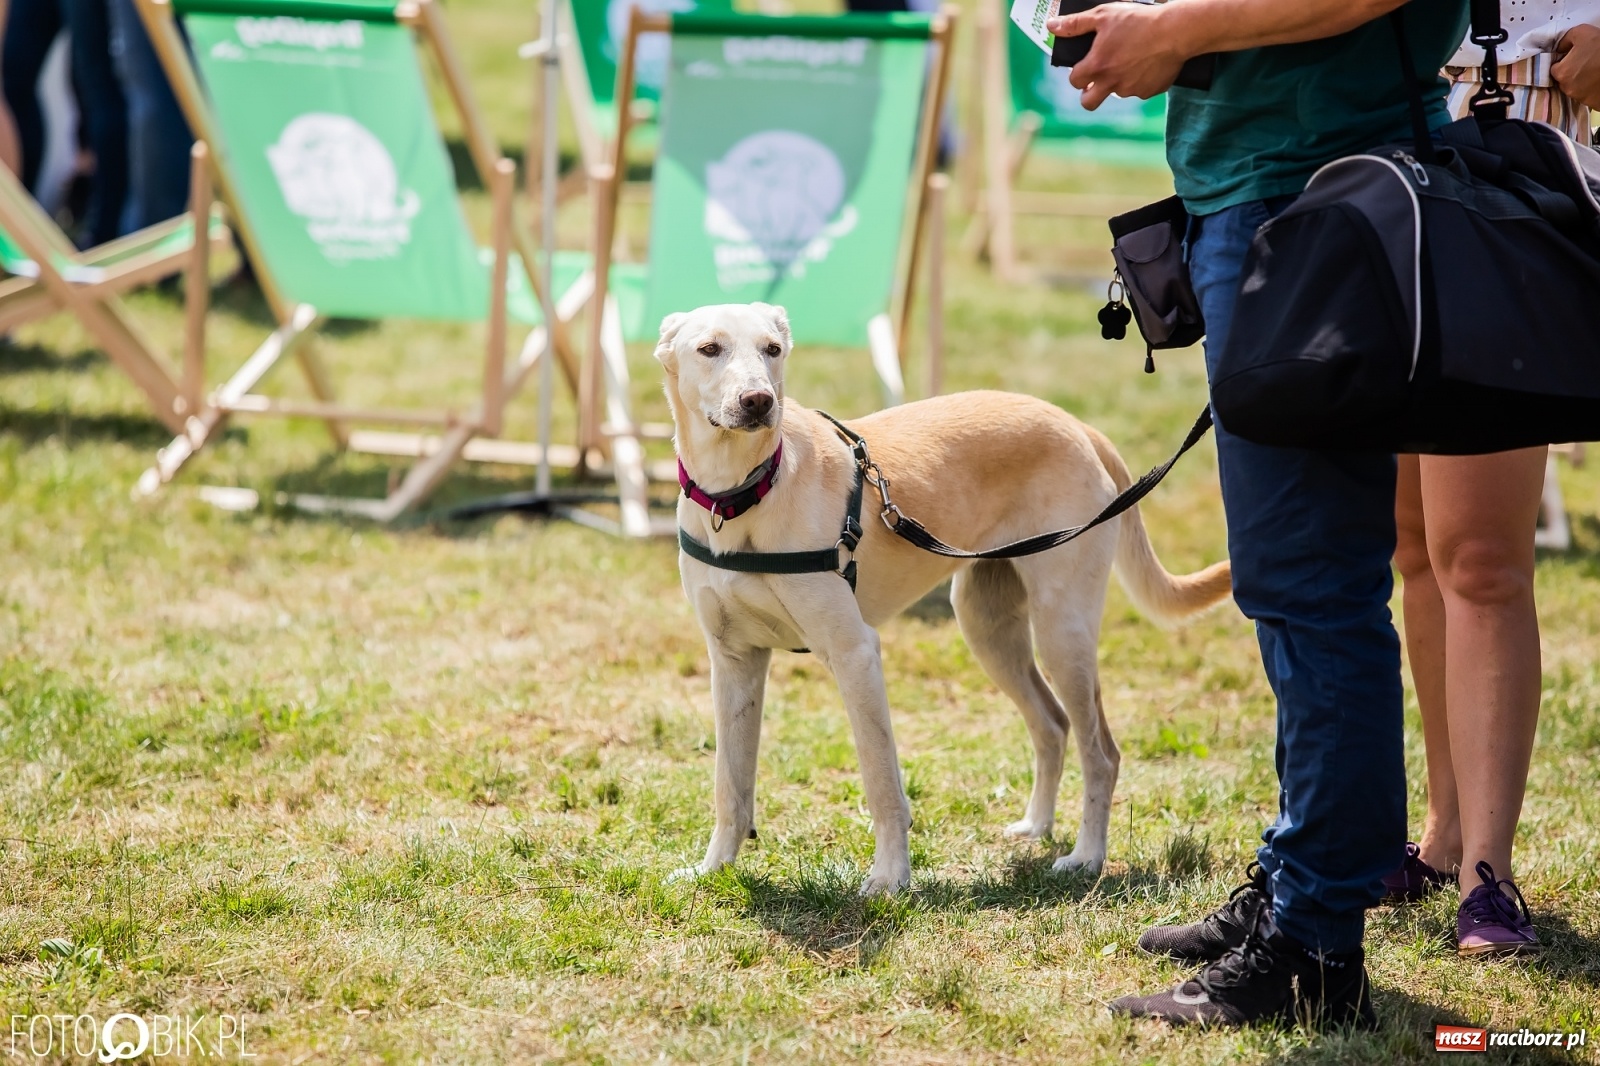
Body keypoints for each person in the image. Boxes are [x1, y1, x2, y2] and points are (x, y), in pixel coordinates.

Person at [1042, 0, 1467, 1029]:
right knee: (1291, 578)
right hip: (1263, 184)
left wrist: (1177, 28)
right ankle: (1301, 882)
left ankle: (1315, 942)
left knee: (1312, 577)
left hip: (1314, 188)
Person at [1383, 3, 1600, 957]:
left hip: (1524, 169)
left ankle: (1489, 873)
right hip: (1386, 163)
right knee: (1415, 545)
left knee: (1479, 555)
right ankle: (1445, 836)